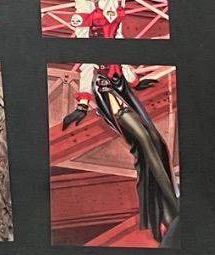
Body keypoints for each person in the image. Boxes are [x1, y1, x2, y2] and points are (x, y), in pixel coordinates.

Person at [62, 65, 179, 243]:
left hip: (123, 90)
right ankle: (172, 211)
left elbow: (122, 66)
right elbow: (87, 69)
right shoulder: (92, 50)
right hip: (107, 95)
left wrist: (136, 82)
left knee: (158, 144)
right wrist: (82, 107)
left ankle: (165, 215)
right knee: (145, 142)